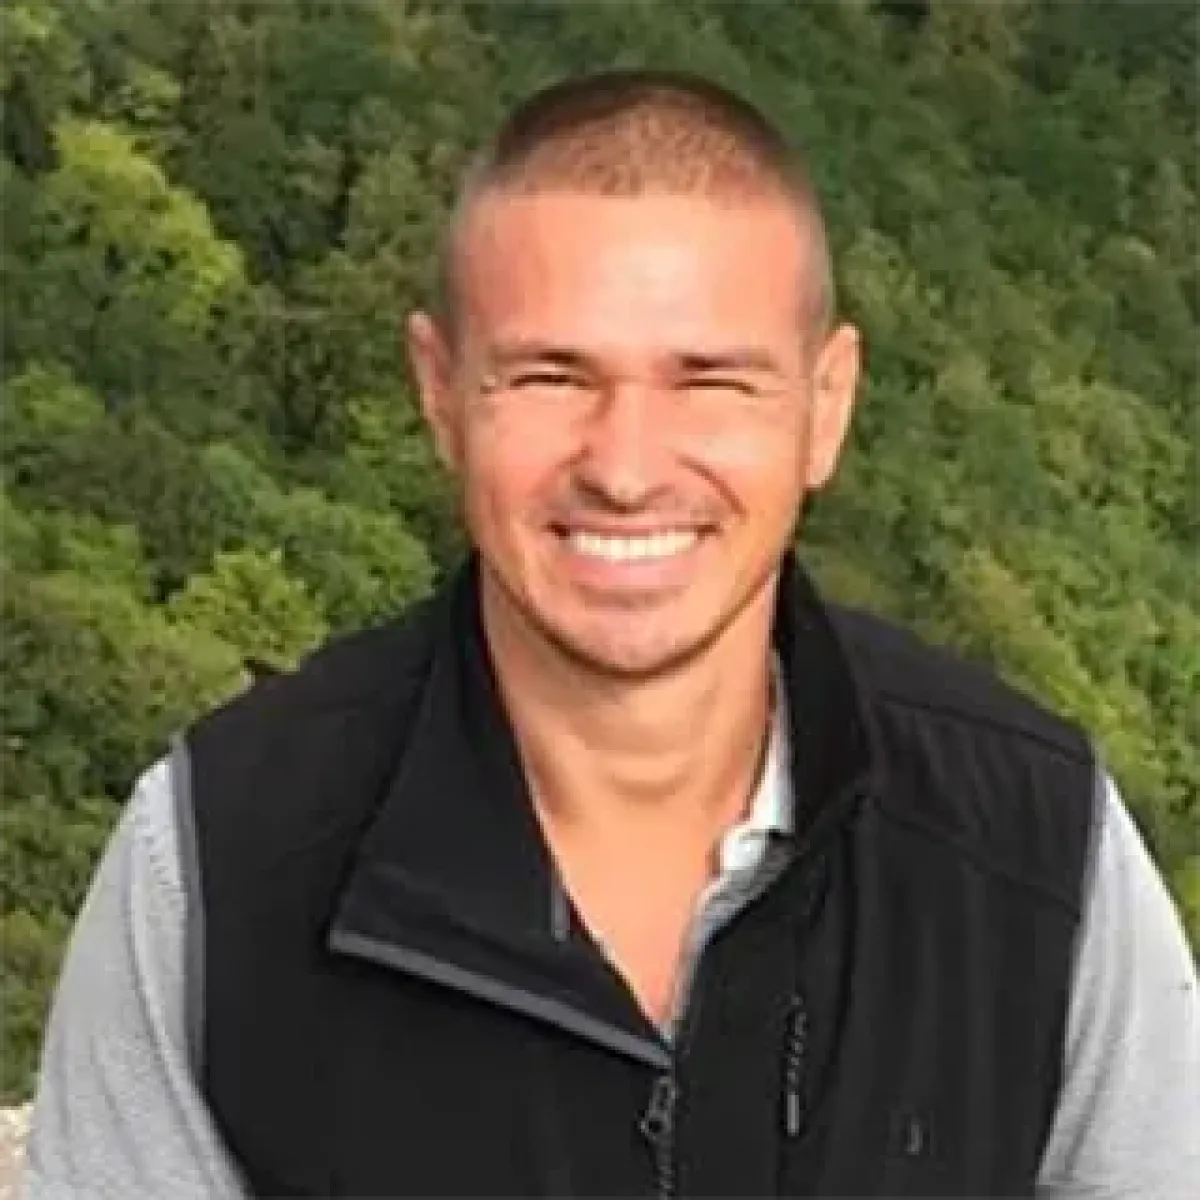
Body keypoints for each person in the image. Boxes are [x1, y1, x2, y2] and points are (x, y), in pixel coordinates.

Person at [22, 69, 1198, 1199]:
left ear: (825, 407)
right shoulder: (222, 863)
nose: (626, 468)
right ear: (440, 392)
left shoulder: (1032, 844)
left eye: (711, 382)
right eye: (550, 376)